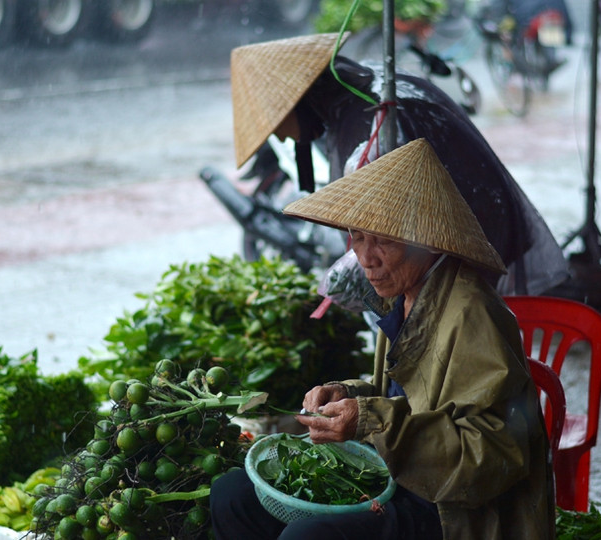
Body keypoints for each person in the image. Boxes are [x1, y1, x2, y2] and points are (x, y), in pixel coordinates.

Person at [210, 138, 555, 539]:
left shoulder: (472, 313)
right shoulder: (404, 297)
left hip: (451, 511)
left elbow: (493, 454)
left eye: (383, 240)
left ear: (425, 239)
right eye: (358, 237)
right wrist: (347, 396)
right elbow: (400, 396)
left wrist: (371, 421)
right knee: (231, 494)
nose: (366, 258)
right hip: (394, 477)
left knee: (307, 537)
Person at [229, 33, 568, 297]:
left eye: (278, 127)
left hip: (466, 253)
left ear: (297, 104)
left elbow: (396, 231)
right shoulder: (359, 92)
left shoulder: (373, 122)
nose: (284, 140)